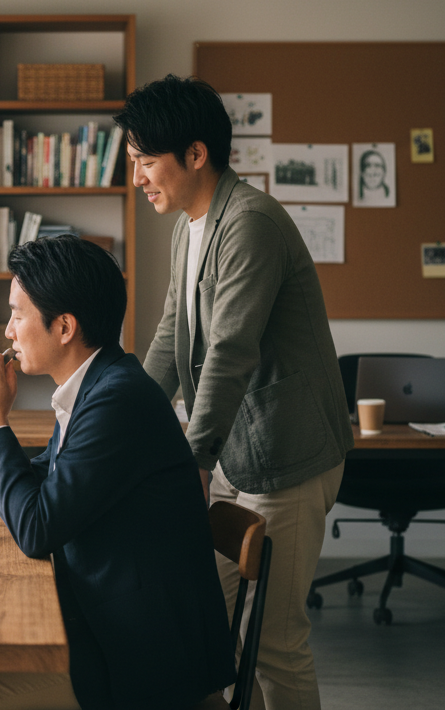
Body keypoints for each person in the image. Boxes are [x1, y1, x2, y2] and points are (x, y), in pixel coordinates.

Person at [115, 75, 352, 710]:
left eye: (145, 160)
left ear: (196, 154)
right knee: (197, 625)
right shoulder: (188, 228)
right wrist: (117, 418)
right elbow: (171, 335)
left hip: (286, 456)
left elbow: (229, 350)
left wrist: (193, 458)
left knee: (272, 641)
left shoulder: (250, 223)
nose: (136, 177)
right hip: (233, 453)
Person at [0, 235, 236, 710]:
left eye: (17, 315)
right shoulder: (99, 383)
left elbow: (37, 529)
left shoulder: (116, 400)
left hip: (139, 662)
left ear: (64, 327)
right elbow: (50, 480)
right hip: (117, 627)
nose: (7, 332)